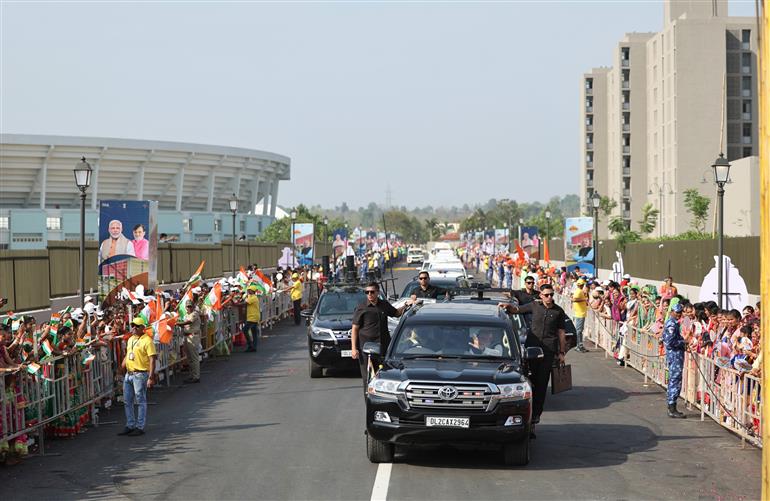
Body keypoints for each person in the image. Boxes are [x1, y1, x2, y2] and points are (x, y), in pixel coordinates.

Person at [498, 283, 567, 430]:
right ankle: (527, 414)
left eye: (551, 295)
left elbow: (561, 333)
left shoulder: (559, 312)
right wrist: (507, 307)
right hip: (531, 350)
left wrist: (562, 353)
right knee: (530, 382)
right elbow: (517, 309)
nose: (549, 297)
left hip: (548, 352)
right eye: (547, 295)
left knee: (542, 384)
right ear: (541, 295)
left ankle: (536, 415)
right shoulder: (534, 306)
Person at [351, 282, 411, 388]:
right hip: (366, 348)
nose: (369, 294)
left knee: (384, 375)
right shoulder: (361, 308)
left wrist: (406, 305)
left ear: (377, 292)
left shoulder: (384, 305)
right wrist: (353, 348)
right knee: (367, 378)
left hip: (383, 346)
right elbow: (354, 329)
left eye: (372, 292)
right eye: (367, 292)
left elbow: (396, 313)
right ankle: (369, 398)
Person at [118, 317, 157, 436]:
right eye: (132, 325)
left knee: (140, 400)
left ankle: (139, 426)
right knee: (127, 401)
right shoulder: (130, 339)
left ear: (142, 328)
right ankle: (130, 425)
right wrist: (121, 368)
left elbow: (152, 359)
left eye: (136, 326)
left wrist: (151, 377)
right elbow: (128, 354)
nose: (133, 327)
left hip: (140, 374)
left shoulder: (147, 340)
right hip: (129, 374)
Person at [662, 303, 686, 418]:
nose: (679, 315)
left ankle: (672, 406)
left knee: (675, 380)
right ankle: (672, 407)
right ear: (672, 311)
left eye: (680, 313)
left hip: (676, 355)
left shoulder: (673, 322)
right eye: (677, 312)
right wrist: (683, 342)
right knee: (675, 380)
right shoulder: (671, 324)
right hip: (675, 355)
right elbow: (670, 342)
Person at [177, 299, 202, 383]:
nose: (189, 308)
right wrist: (180, 324)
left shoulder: (194, 314)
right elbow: (185, 324)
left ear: (193, 307)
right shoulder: (186, 315)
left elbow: (189, 322)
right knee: (190, 358)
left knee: (194, 358)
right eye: (187, 306)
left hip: (193, 337)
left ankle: (196, 376)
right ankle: (192, 375)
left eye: (190, 306)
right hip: (187, 337)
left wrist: (178, 323)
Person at [571, 279, 589, 352]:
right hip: (579, 314)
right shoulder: (578, 291)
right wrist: (584, 300)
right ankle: (579, 346)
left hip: (580, 313)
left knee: (579, 330)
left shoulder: (579, 291)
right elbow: (574, 299)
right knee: (579, 331)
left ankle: (579, 345)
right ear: (582, 285)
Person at [242, 284, 261, 352]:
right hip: (253, 316)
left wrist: (234, 304)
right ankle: (253, 347)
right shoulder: (251, 296)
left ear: (252, 291)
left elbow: (245, 303)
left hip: (252, 317)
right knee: (254, 332)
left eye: (249, 290)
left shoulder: (253, 297)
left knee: (245, 330)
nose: (248, 290)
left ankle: (250, 345)